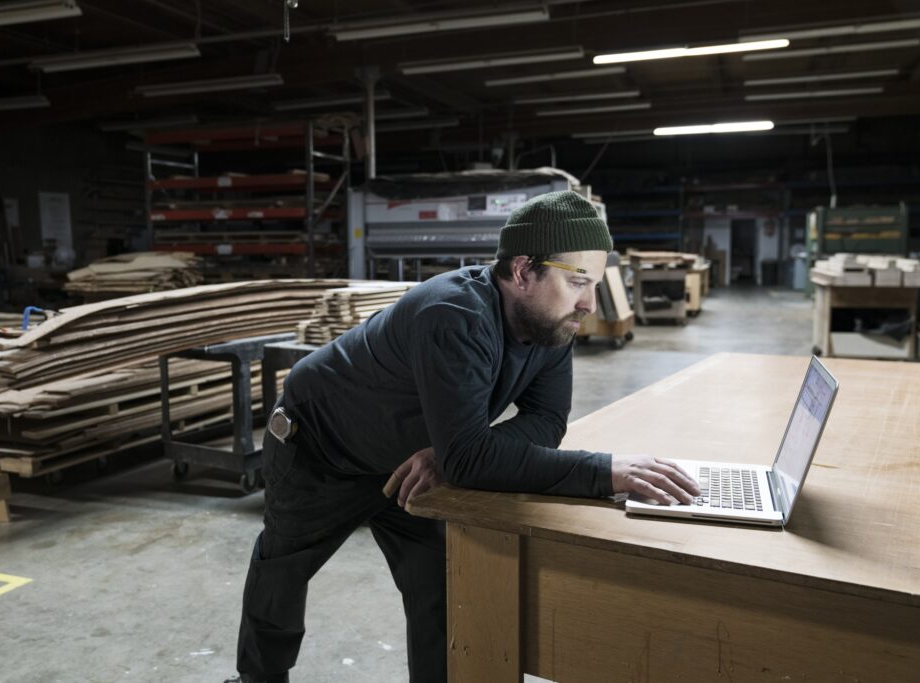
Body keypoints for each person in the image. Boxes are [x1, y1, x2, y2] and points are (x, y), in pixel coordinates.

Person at [228, 191, 700, 683]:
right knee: (283, 568)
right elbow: (472, 460)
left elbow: (546, 422)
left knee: (440, 587)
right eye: (577, 281)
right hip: (320, 444)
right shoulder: (455, 314)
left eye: (595, 284)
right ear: (522, 271)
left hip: (406, 462)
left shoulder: (552, 326)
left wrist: (450, 451)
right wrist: (602, 471)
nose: (588, 303)